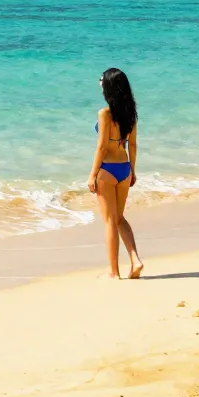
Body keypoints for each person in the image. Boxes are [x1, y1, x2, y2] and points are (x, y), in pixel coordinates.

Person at [89, 67, 145, 279]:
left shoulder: (105, 114)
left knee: (110, 221)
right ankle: (135, 260)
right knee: (119, 218)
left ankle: (113, 272)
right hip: (124, 169)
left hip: (107, 170)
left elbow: (102, 147)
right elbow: (133, 145)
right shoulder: (131, 115)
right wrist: (133, 171)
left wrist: (92, 175)